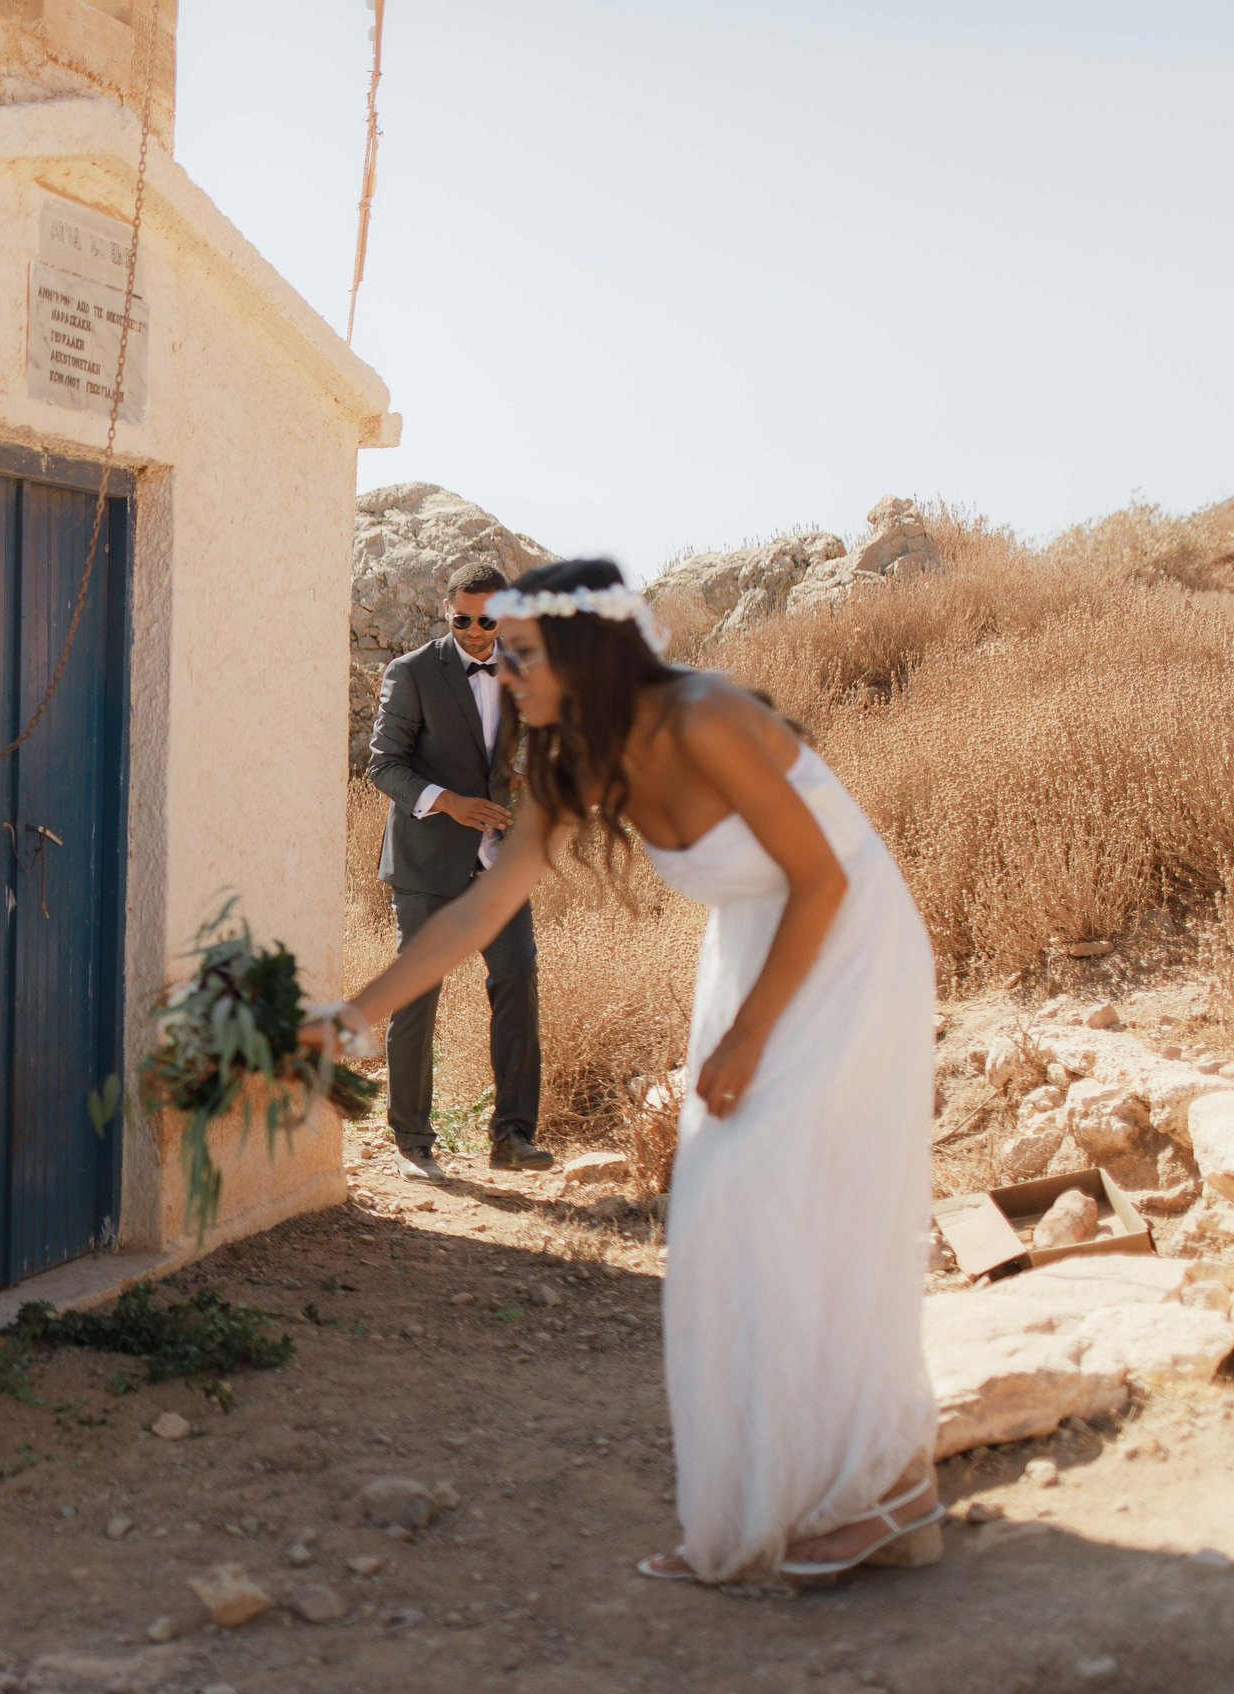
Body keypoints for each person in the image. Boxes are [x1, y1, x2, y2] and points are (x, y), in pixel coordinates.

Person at [313, 559, 941, 1583]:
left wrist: (743, 1039)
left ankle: (885, 1485)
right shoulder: (569, 763)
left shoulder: (706, 718)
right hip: (755, 949)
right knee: (729, 1214)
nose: (502, 674)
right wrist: (355, 1013)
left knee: (788, 1198)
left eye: (518, 655)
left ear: (582, 651)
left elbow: (824, 877)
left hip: (846, 946)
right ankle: (815, 1488)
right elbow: (478, 910)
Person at [364, 565, 551, 1180]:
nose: (474, 631)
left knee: (518, 974)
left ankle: (513, 1135)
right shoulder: (412, 672)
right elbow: (384, 766)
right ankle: (413, 1140)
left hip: (498, 863)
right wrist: (450, 801)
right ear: (447, 610)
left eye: (487, 619)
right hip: (425, 862)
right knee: (417, 995)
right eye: (461, 618)